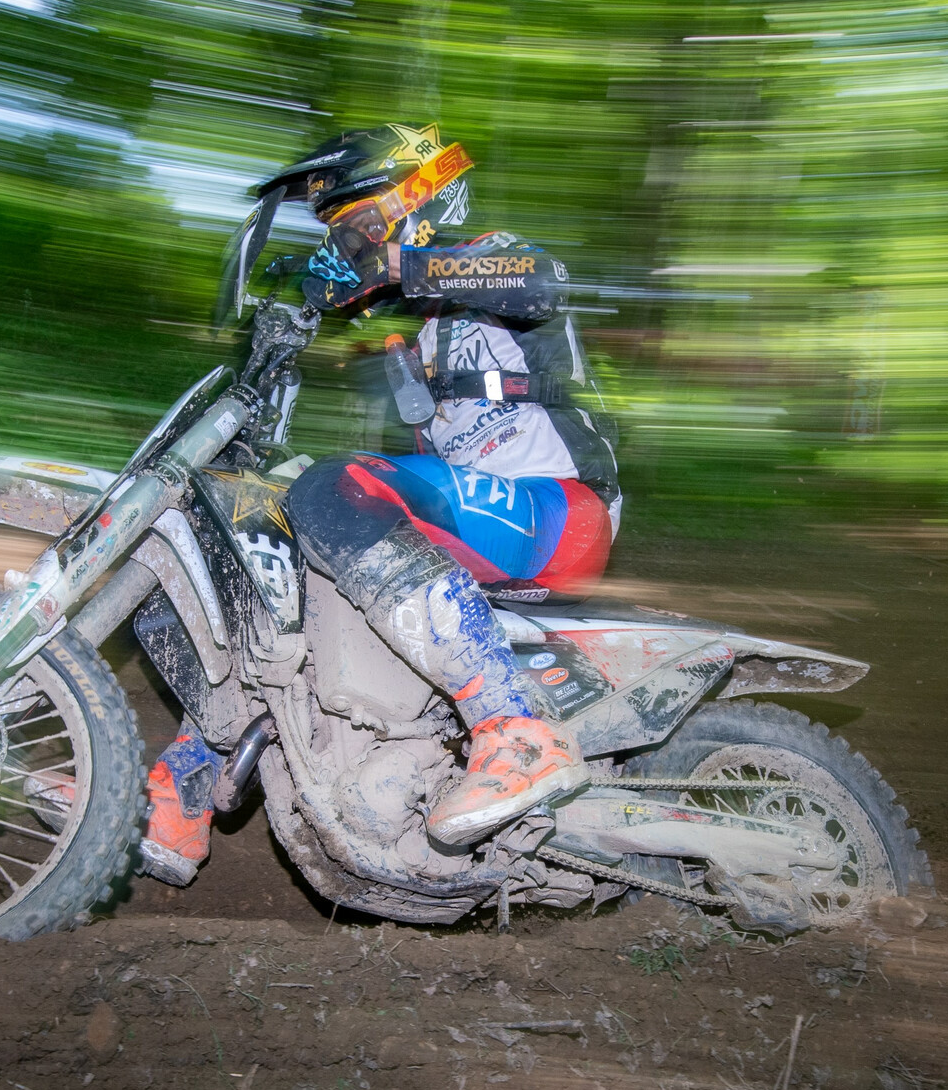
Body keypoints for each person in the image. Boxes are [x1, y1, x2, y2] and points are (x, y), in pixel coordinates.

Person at [142, 124, 620, 887]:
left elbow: (542, 284)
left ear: (420, 200)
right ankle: (187, 779)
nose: (350, 247)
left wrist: (390, 263)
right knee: (256, 547)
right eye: (343, 237)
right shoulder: (415, 342)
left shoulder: (499, 257)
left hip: (562, 509)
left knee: (336, 484)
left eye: (361, 225)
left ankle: (516, 731)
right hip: (486, 525)